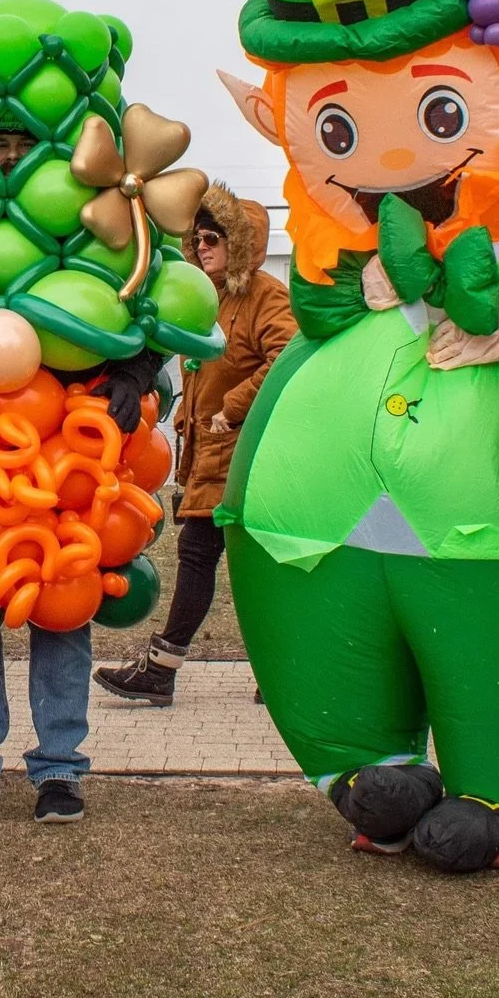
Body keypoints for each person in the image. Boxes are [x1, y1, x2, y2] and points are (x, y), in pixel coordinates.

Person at [0, 121, 167, 825]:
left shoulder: (94, 228)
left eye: (22, 140)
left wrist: (134, 369)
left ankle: (59, 769)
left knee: (62, 603)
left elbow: (142, 308)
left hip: (67, 444)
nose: (7, 155)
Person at [96, 184, 294, 705]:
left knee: (212, 558)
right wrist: (187, 417)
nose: (202, 247)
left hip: (246, 457)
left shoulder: (266, 295)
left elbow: (287, 358)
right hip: (208, 454)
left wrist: (233, 408)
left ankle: (164, 667)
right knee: (237, 564)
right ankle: (280, 671)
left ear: (243, 244)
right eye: (197, 238)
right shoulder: (209, 301)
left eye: (214, 238)